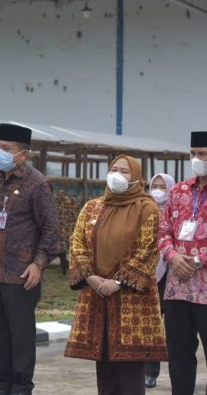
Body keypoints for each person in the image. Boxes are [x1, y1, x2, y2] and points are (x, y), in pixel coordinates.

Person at [64, 155, 167, 395]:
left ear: (137, 177)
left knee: (131, 372)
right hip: (97, 295)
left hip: (132, 301)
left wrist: (119, 281)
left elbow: (150, 249)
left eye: (125, 171)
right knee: (105, 368)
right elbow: (77, 242)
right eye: (114, 169)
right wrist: (90, 277)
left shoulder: (147, 208)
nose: (118, 174)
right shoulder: (92, 207)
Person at [0, 123, 60, 395]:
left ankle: (21, 386)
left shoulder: (38, 185)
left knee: (20, 334)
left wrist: (39, 263)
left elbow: (51, 229)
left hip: (21, 274)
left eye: (6, 149)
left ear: (23, 155)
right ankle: (3, 382)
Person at [158, 131, 207, 395]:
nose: (197, 159)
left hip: (206, 290)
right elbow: (163, 231)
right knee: (178, 357)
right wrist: (173, 256)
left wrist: (198, 260)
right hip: (177, 289)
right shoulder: (179, 191)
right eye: (193, 154)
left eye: (203, 154)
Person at [143, 172, 175, 389]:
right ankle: (150, 372)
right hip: (149, 273)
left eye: (163, 186)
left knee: (174, 329)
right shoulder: (142, 210)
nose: (158, 190)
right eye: (155, 185)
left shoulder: (176, 210)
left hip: (173, 274)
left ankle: (180, 374)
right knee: (151, 326)